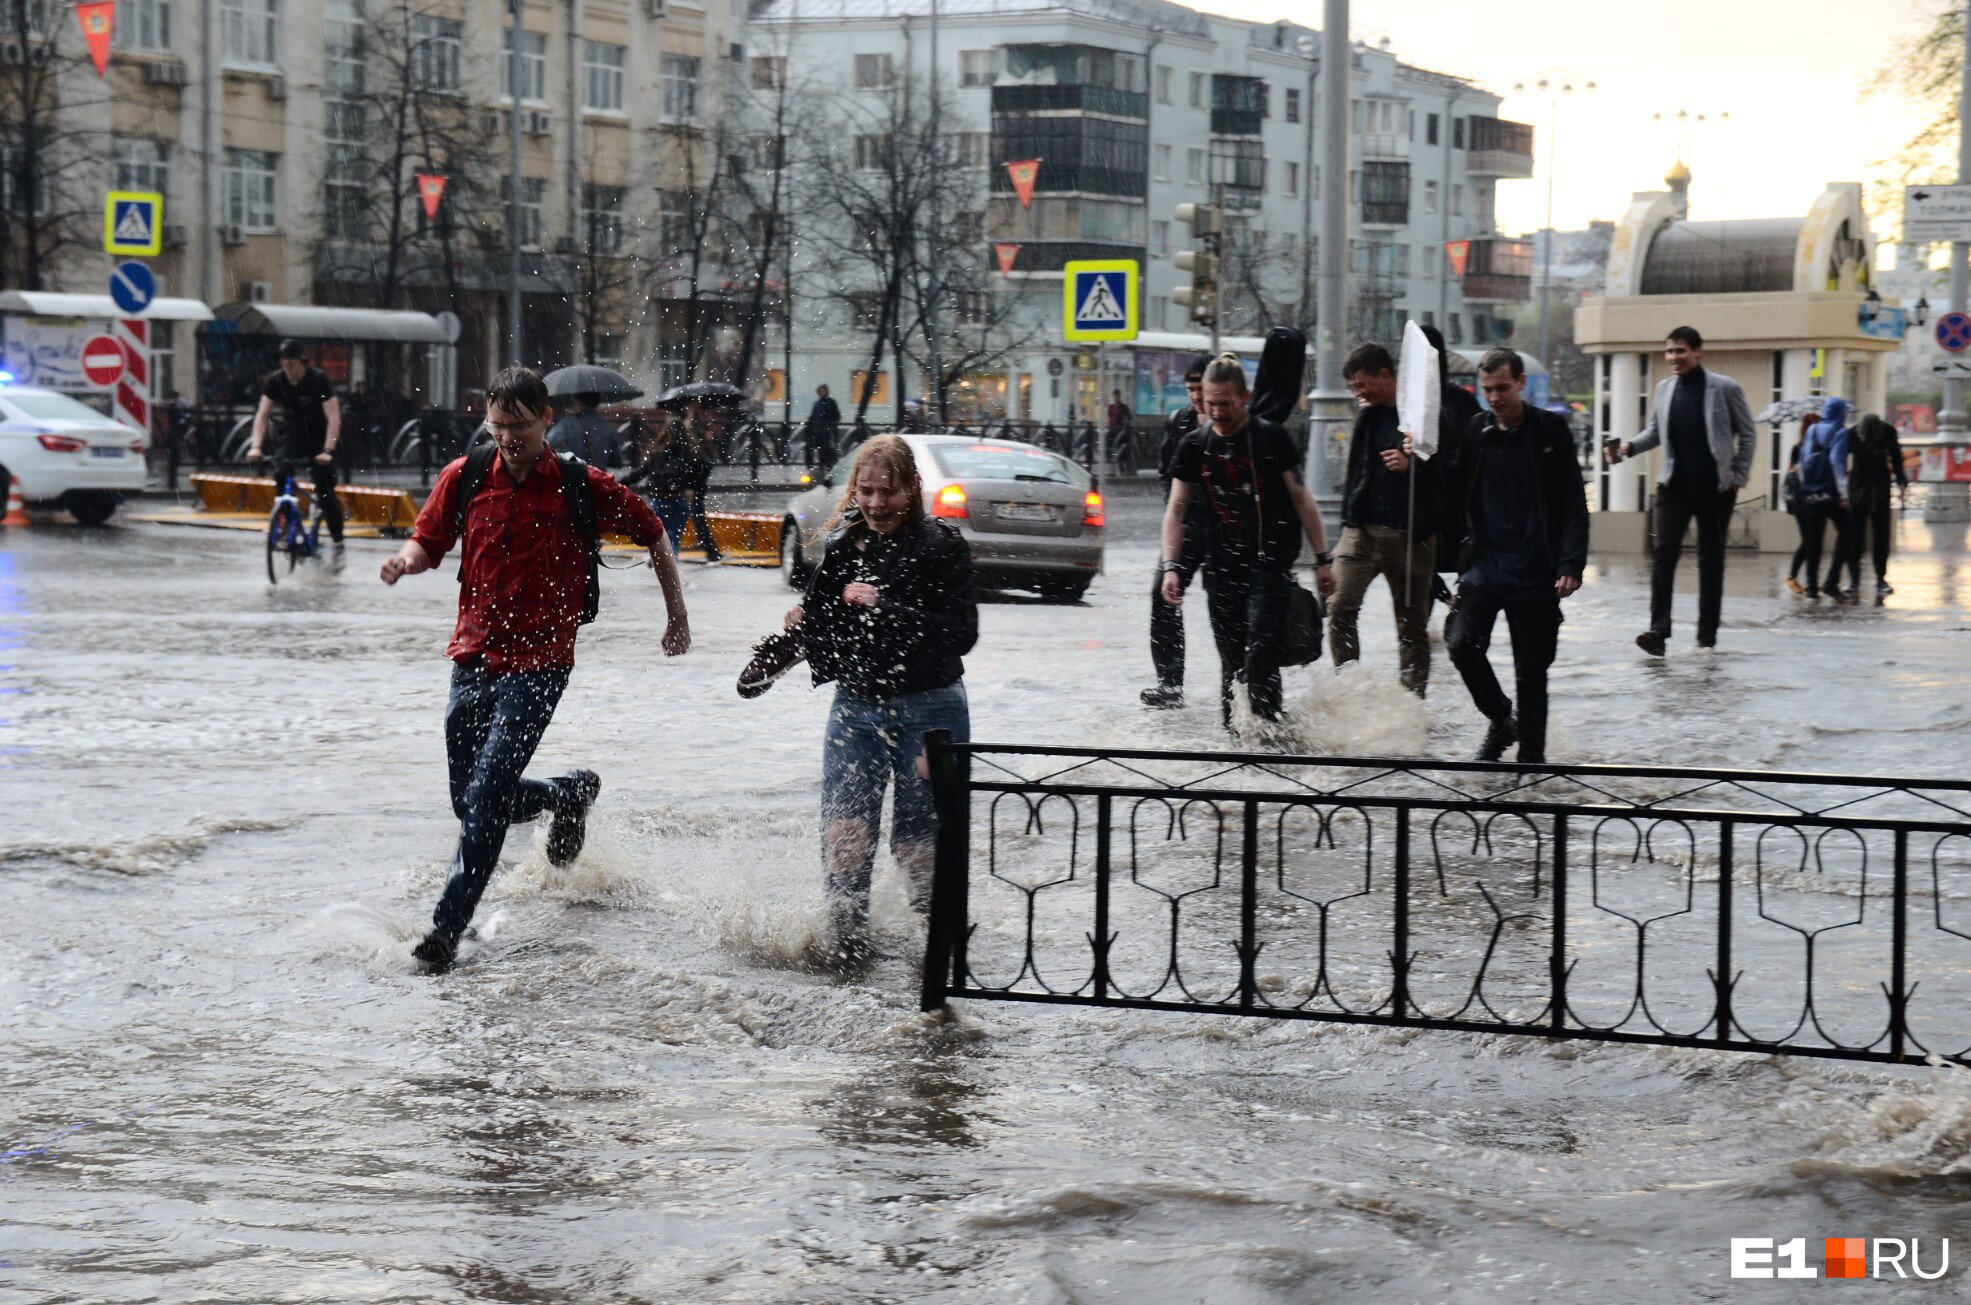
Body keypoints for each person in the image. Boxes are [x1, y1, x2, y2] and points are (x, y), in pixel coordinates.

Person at [379, 367, 691, 973]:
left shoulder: (580, 483)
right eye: (497, 426)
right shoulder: (465, 476)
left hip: (541, 664)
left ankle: (445, 931)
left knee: (489, 792)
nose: (507, 438)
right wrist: (403, 560)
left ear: (546, 418)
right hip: (472, 656)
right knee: (467, 798)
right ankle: (565, 794)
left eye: (518, 426)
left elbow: (654, 532)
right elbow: (427, 541)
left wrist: (677, 618)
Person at [782, 435, 977, 968]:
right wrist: (802, 629)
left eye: (887, 492)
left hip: (931, 709)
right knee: (845, 832)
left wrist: (884, 606)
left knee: (921, 843)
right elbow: (824, 622)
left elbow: (961, 635)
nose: (875, 504)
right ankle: (846, 948)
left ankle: (939, 964)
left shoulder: (942, 546)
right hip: (856, 709)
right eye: (865, 491)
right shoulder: (846, 546)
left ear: (912, 488)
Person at [1160, 354, 1336, 728]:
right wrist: (1170, 568)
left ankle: (1268, 729)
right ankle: (1239, 740)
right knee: (1231, 660)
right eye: (1211, 404)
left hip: (1269, 563)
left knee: (1261, 649)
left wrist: (1323, 559)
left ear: (1246, 397)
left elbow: (1303, 498)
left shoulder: (1270, 436)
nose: (1219, 412)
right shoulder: (1194, 444)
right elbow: (1176, 510)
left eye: (1226, 403)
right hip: (1221, 567)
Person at [1443, 348, 1588, 764]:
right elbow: (1453, 491)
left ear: (1521, 383)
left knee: (1532, 673)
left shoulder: (1551, 431)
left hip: (1536, 571)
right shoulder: (1476, 429)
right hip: (1484, 568)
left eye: (1502, 388)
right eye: (1486, 389)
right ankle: (1501, 719)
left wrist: (1571, 564)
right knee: (1461, 644)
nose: (1494, 397)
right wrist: (1417, 459)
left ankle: (1533, 772)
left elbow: (1574, 502)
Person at [1604, 326, 1756, 655]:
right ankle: (1658, 632)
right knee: (1663, 555)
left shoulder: (1725, 388)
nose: (1674, 357)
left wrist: (1738, 476)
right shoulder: (1664, 388)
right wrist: (1628, 448)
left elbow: (1748, 432)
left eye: (1681, 351)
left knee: (1710, 560)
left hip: (1715, 488)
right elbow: (1656, 432)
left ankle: (1706, 637)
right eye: (1670, 352)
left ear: (1697, 352)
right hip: (1673, 486)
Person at [1328, 342, 1437, 696]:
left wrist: (1413, 466)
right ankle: (1350, 690)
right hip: (1359, 532)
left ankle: (1410, 704)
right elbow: (1357, 470)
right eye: (1354, 387)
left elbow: (1450, 474)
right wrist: (1347, 522)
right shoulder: (1367, 415)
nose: (1358, 393)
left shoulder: (1421, 415)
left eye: (1362, 385)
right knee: (1340, 607)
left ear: (1385, 376)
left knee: (1410, 626)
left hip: (1407, 536)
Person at [1141, 354, 1213, 709]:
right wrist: (1175, 518)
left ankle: (1241, 681)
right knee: (1162, 593)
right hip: (1186, 525)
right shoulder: (1179, 422)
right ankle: (1169, 683)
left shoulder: (1232, 421)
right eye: (1191, 390)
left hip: (1226, 529)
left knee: (1229, 605)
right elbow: (1166, 476)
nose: (1198, 397)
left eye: (1202, 389)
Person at [247, 338, 346, 567]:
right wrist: (256, 446)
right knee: (281, 473)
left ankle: (338, 541)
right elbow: (262, 415)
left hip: (319, 436)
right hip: (292, 433)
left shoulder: (318, 380)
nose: (287, 367)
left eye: (292, 362)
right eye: (284, 362)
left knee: (325, 493)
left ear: (302, 362)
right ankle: (283, 524)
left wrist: (328, 450)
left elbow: (333, 416)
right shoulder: (276, 381)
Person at [1843, 410, 1908, 599]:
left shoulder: (1886, 432)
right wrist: (1901, 481)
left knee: (1874, 536)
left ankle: (1873, 579)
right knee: (1864, 536)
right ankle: (1860, 579)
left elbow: (1896, 458)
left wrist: (1901, 481)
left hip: (1873, 489)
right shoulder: (1853, 433)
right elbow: (1896, 459)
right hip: (1864, 489)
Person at [1796, 396, 1853, 602]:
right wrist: (1843, 494)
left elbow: (1802, 460)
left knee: (1814, 539)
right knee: (1847, 533)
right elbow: (1837, 463)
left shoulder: (1812, 429)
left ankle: (1811, 587)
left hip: (1810, 492)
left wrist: (1807, 485)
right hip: (1832, 493)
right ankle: (1831, 582)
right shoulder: (1840, 431)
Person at [622, 415, 697, 549]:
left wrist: (620, 483)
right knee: (675, 534)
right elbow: (702, 468)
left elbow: (639, 473)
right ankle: (672, 558)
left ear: (666, 432)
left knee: (659, 533)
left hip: (660, 498)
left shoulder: (658, 452)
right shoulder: (688, 453)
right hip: (679, 498)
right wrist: (692, 487)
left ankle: (658, 556)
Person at [682, 401, 724, 563]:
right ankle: (708, 548)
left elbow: (704, 441)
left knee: (695, 513)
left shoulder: (697, 423)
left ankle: (708, 547)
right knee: (695, 513)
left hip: (697, 473)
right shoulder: (686, 423)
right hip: (693, 474)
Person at [546, 392, 623, 468]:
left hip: (575, 475)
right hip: (599, 477)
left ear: (579, 402)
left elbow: (548, 444)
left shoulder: (568, 424)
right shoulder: (608, 426)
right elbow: (617, 460)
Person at [806, 383, 841, 469]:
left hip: (827, 430)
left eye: (823, 391)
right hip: (818, 430)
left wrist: (830, 424)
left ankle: (827, 463)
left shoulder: (831, 403)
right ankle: (823, 463)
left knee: (827, 447)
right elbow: (813, 416)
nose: (822, 392)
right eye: (821, 391)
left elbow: (837, 416)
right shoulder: (817, 403)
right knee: (820, 448)